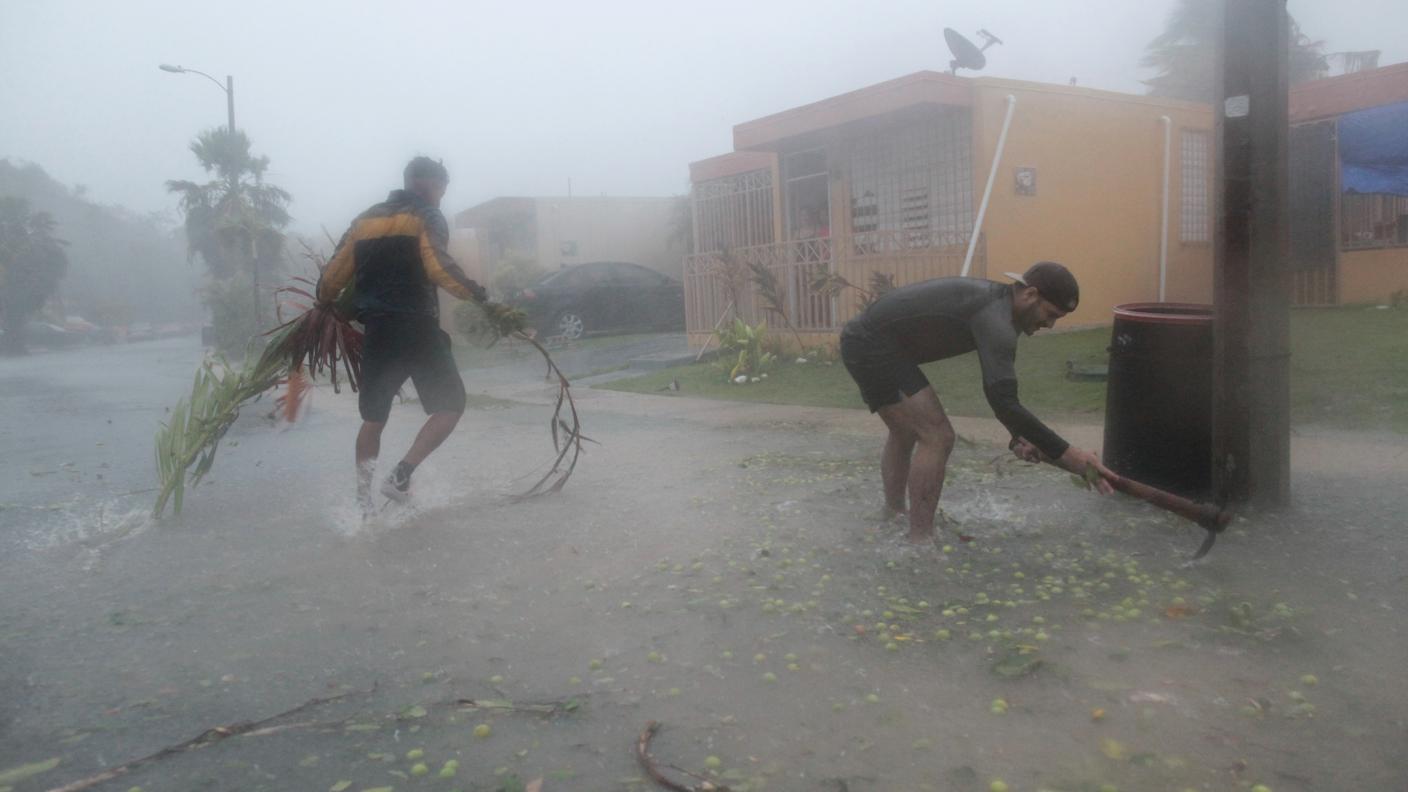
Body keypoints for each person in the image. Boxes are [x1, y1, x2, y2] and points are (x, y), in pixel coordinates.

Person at [839, 262, 1115, 543]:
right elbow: (1004, 402)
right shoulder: (997, 319)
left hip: (867, 341)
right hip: (870, 343)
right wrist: (1072, 456)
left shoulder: (999, 309)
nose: (1050, 324)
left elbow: (1001, 397)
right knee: (937, 436)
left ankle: (895, 515)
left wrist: (1019, 438)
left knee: (907, 431)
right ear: (1030, 295)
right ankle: (919, 540)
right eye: (1051, 314)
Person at [317, 157, 491, 513]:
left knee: (374, 418)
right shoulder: (425, 215)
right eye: (441, 189)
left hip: (378, 331)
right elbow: (437, 265)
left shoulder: (365, 220)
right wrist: (477, 295)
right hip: (416, 328)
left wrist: (325, 302)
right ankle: (400, 476)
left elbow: (333, 276)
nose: (442, 197)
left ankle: (362, 504)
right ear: (426, 184)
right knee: (451, 404)